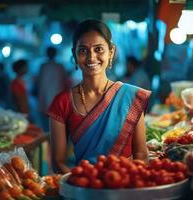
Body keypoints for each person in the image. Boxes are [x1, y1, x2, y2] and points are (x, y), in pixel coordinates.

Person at [47, 19, 151, 174]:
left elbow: (141, 155)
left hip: (126, 185)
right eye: (83, 50)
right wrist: (83, 187)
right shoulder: (62, 102)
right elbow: (58, 162)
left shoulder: (130, 97)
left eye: (99, 49)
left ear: (111, 52)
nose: (91, 57)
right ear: (74, 55)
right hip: (84, 188)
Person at [37, 46, 70, 132]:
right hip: (55, 98)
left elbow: (39, 83)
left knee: (48, 126)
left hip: (48, 99)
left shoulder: (44, 66)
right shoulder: (59, 66)